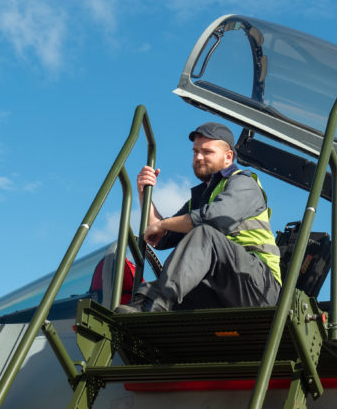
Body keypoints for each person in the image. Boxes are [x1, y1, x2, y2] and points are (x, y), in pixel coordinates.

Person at [116, 122, 281, 313]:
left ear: (228, 157)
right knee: (181, 294)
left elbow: (214, 219)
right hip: (223, 284)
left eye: (207, 152)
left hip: (260, 286)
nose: (199, 158)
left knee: (205, 233)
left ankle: (153, 303)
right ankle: (148, 306)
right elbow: (160, 236)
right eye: (195, 152)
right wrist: (145, 195)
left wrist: (164, 223)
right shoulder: (203, 197)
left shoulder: (243, 183)